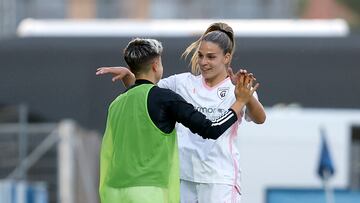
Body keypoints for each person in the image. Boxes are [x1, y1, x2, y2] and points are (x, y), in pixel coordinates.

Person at [99, 38, 258, 203]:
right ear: (155, 66)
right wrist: (240, 102)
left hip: (113, 190)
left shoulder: (117, 103)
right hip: (149, 190)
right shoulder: (166, 98)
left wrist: (130, 78)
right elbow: (210, 129)